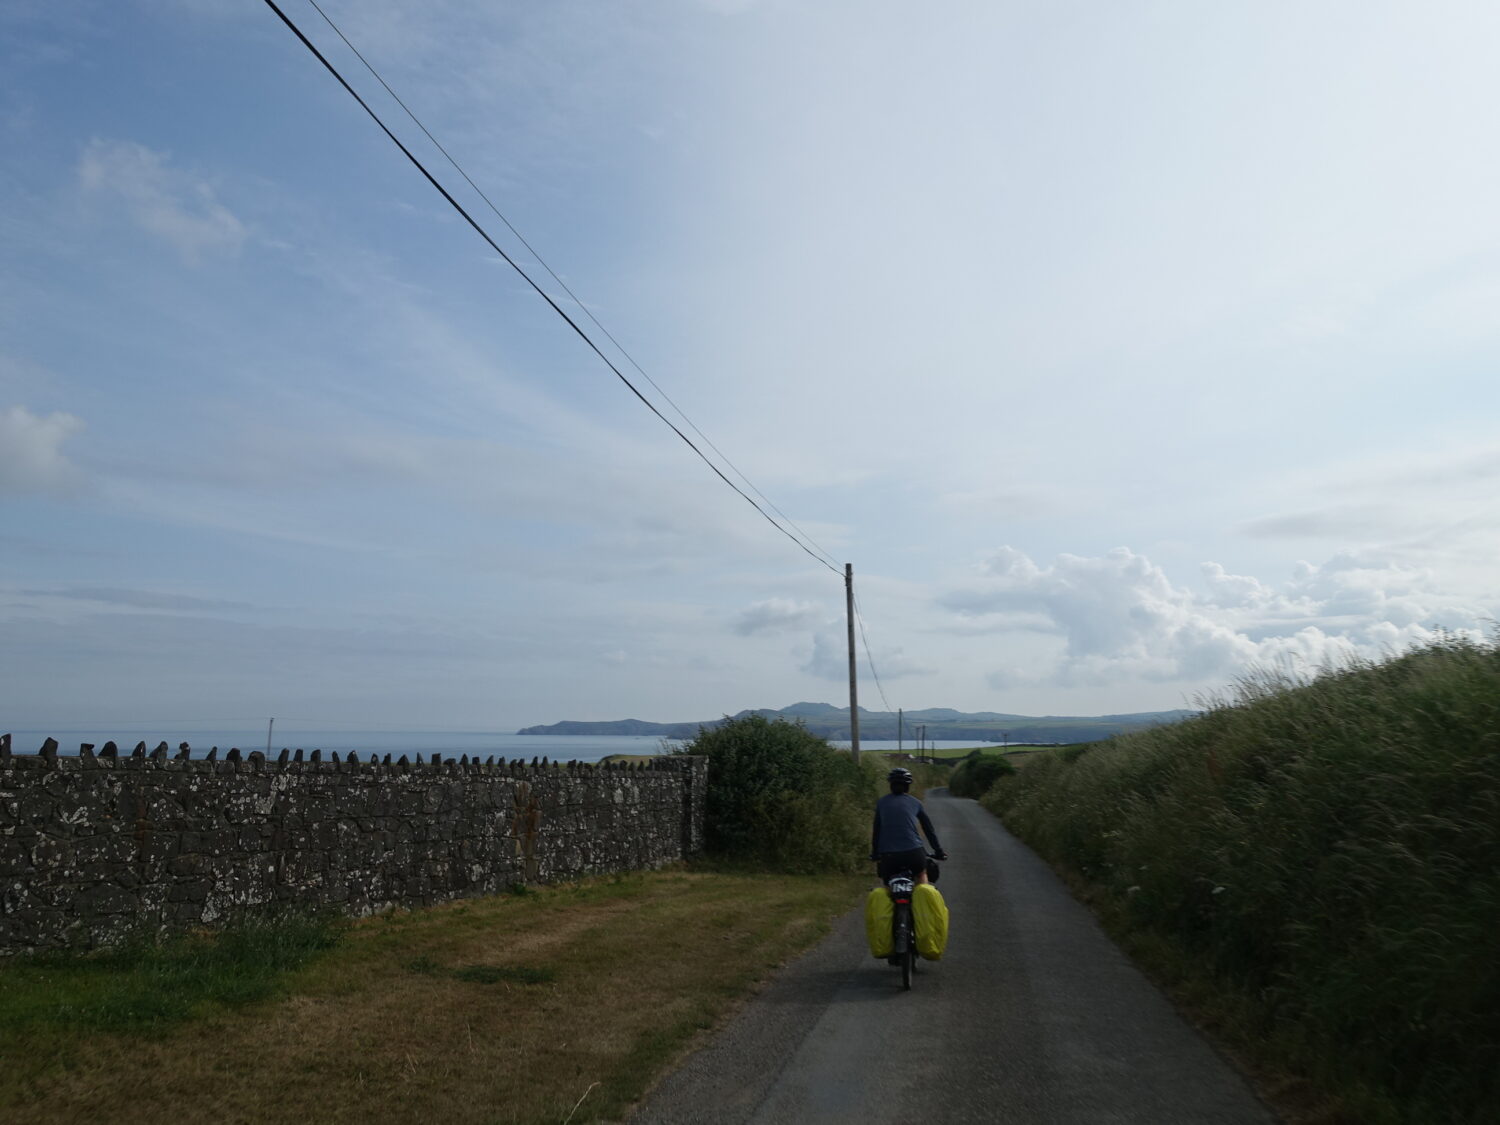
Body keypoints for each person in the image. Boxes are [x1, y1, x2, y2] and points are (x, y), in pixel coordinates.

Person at [871, 767, 948, 884]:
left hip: (889, 855)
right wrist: (938, 851)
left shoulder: (881, 803)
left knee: (887, 885)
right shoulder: (916, 803)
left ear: (891, 785)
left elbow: (877, 831)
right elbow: (928, 830)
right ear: (908, 786)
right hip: (913, 853)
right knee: (921, 875)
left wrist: (875, 853)